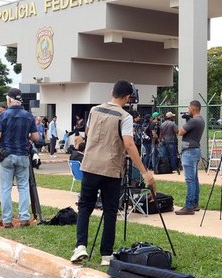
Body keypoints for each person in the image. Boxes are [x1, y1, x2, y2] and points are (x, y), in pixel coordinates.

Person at [71, 80, 156, 266]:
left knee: (84, 207)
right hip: (111, 168)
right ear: (128, 97)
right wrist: (144, 171)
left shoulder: (94, 110)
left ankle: (80, 246)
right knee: (110, 211)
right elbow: (129, 144)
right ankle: (106, 254)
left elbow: (88, 132)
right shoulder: (125, 117)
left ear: (112, 92)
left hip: (90, 165)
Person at [0, 88, 39, 228]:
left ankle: (7, 220)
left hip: (7, 155)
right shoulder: (28, 116)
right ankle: (24, 218)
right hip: (23, 155)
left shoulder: (3, 116)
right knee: (23, 187)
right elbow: (36, 137)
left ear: (9, 99)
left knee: (6, 188)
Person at [175, 100, 206, 215]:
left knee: (190, 180)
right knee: (194, 179)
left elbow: (180, 132)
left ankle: (189, 206)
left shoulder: (193, 121)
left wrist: (187, 122)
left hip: (189, 151)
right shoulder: (200, 120)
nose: (188, 110)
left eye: (189, 108)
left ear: (193, 108)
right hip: (195, 150)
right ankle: (194, 204)